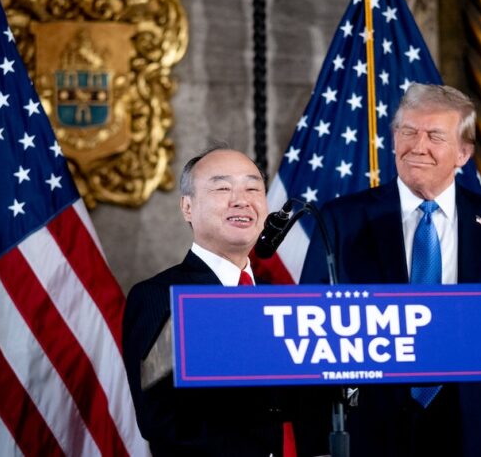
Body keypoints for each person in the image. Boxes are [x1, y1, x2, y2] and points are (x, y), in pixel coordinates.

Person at [301, 84, 481, 456]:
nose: (418, 146)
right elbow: (311, 340)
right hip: (370, 429)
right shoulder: (340, 221)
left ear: (463, 153)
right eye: (408, 132)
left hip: (476, 431)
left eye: (435, 136)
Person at [122, 145, 331, 456]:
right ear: (187, 207)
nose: (241, 200)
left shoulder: (280, 298)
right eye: (222, 188)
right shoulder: (160, 296)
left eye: (252, 188)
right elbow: (159, 417)